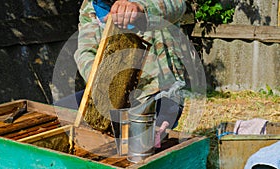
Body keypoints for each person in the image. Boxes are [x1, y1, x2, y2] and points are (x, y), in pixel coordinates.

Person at [58, 0, 188, 130]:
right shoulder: (90, 6)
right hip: (115, 94)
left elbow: (177, 5)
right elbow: (85, 52)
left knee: (142, 143)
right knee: (59, 114)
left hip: (159, 92)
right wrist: (101, 83)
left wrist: (140, 9)